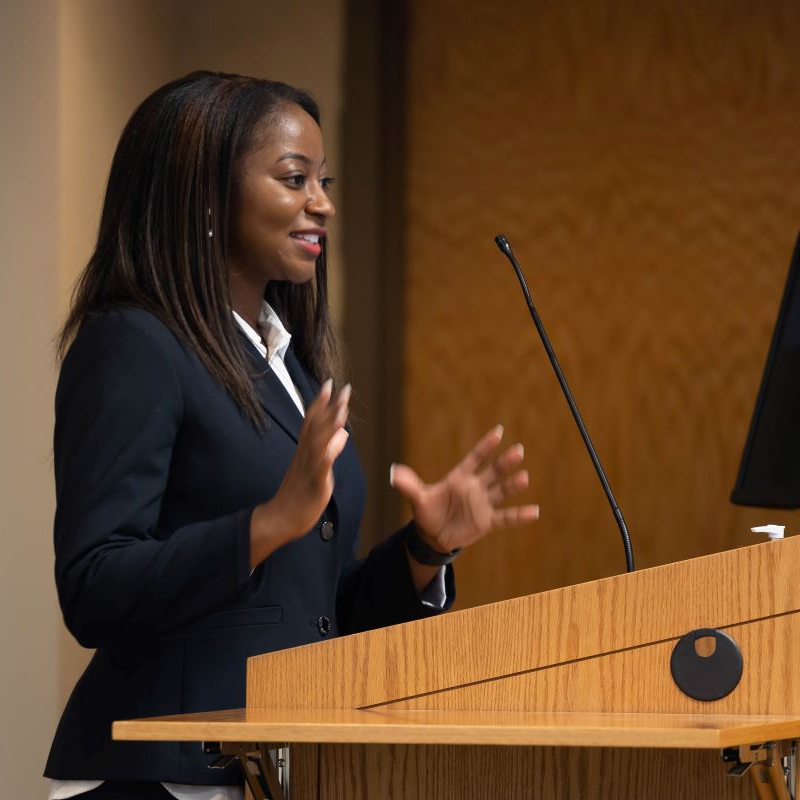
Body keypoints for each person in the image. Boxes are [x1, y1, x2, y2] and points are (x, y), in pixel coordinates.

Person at [43, 71, 539, 800]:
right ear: (204, 196)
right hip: (165, 776)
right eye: (293, 178)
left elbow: (318, 612)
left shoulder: (286, 364)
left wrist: (424, 550)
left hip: (276, 767)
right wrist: (267, 524)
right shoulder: (134, 344)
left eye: (323, 179)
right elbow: (94, 586)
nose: (323, 204)